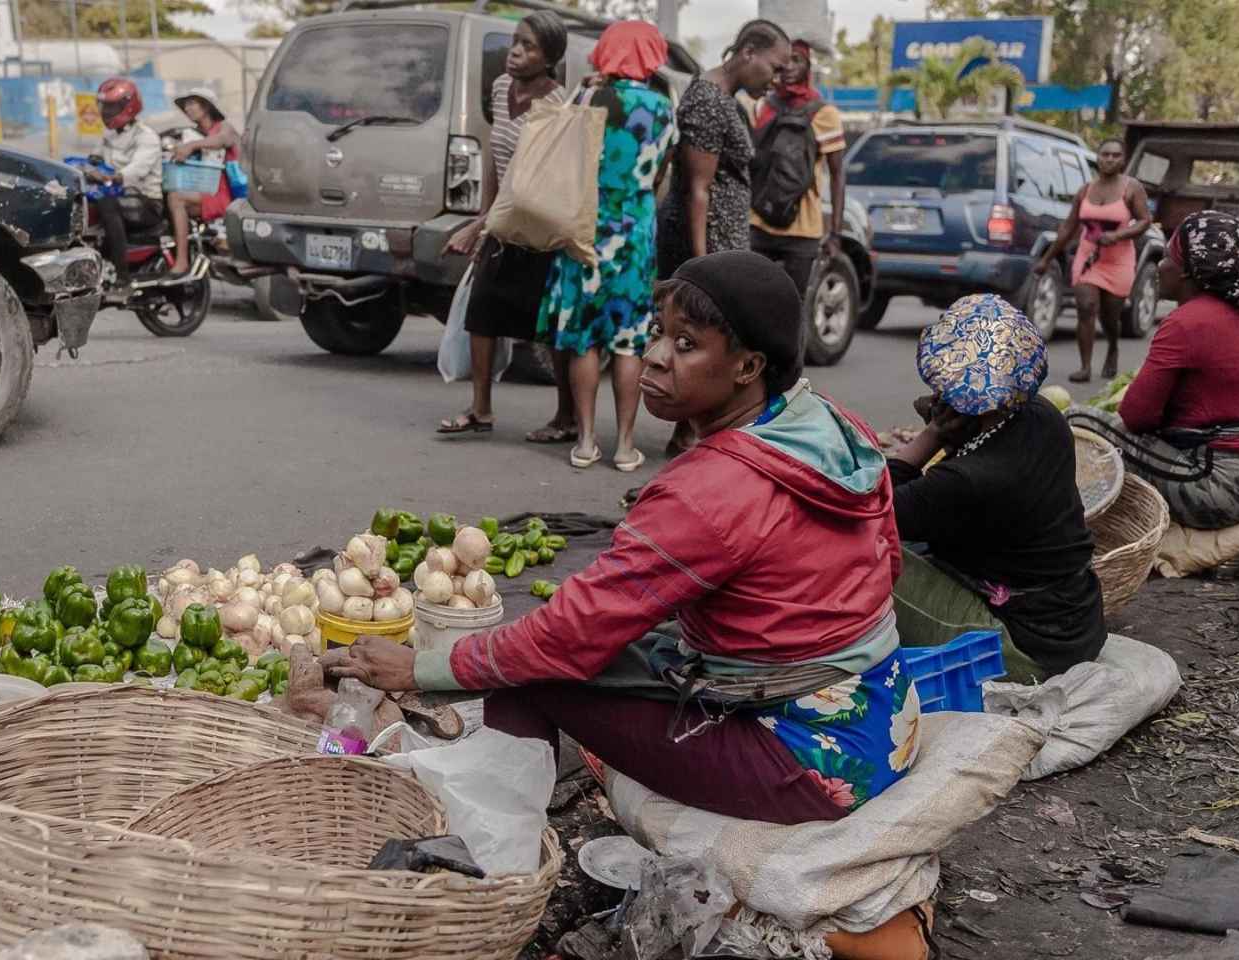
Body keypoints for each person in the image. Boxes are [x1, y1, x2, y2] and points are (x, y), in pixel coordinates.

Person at [328, 250, 920, 825]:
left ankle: (496, 860)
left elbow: (564, 641)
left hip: (810, 759)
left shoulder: (708, 491)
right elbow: (887, 563)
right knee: (607, 644)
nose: (653, 358)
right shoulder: (831, 426)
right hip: (886, 713)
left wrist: (424, 667)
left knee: (528, 678)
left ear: (748, 367)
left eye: (685, 345)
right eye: (658, 333)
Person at [889, 295, 1106, 682]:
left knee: (857, 551)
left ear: (962, 402)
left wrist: (933, 433)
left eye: (943, 388)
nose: (936, 394)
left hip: (1023, 648)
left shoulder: (968, 479)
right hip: (1076, 624)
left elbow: (876, 509)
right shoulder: (1042, 416)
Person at [538, 21, 677, 473]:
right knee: (628, 341)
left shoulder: (588, 99)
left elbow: (565, 156)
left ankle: (584, 441)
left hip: (585, 230)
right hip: (636, 236)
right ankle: (625, 446)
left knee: (583, 339)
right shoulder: (662, 107)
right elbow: (659, 177)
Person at [437, 11, 575, 442]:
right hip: (500, 219)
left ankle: (566, 416)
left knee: (549, 327)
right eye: (516, 41)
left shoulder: (557, 103)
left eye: (529, 45)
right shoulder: (501, 89)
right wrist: (482, 218)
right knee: (483, 310)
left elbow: (536, 176)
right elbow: (498, 162)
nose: (516, 51)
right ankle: (481, 409)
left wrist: (477, 226)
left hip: (536, 225)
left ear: (550, 56)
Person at [1075, 211, 1239, 530]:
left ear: (1189, 271)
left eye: (1168, 256)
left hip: (1221, 488)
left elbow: (1136, 417)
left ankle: (1080, 530)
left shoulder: (1187, 323)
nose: (1159, 265)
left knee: (1076, 422)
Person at [658, 19, 791, 459]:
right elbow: (699, 188)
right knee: (704, 340)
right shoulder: (708, 100)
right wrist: (701, 272)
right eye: (774, 67)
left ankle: (694, 433)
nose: (775, 80)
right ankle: (690, 437)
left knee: (712, 345)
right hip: (707, 248)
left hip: (722, 244)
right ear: (748, 52)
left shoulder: (726, 99)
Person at [1033, 139, 1151, 382]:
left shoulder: (1132, 188)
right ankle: (1085, 367)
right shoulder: (1085, 190)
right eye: (1105, 154)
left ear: (1123, 160)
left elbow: (1144, 221)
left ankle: (1112, 347)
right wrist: (1046, 259)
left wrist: (1118, 234)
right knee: (1086, 307)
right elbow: (1068, 227)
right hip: (1088, 257)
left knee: (1110, 316)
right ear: (1097, 157)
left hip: (1119, 261)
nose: (1109, 159)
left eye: (1115, 155)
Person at [748, 40, 847, 301]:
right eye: (785, 60)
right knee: (750, 306)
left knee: (792, 308)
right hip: (758, 225)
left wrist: (835, 234)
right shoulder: (762, 106)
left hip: (803, 233)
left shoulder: (825, 113)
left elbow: (837, 175)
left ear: (808, 67)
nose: (790, 67)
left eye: (797, 60)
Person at [92, 77, 163, 285]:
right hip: (120, 196)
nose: (106, 111)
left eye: (111, 106)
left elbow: (137, 169)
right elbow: (95, 157)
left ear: (128, 107)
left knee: (106, 204)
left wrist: (113, 177)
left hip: (147, 202)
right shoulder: (110, 134)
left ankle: (122, 274)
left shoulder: (146, 136)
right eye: (104, 105)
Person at [167, 88, 240, 276]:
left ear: (206, 106)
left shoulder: (224, 127)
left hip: (227, 194)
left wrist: (190, 146)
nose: (187, 108)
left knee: (176, 198)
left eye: (192, 103)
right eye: (186, 105)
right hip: (206, 191)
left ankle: (182, 261)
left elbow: (221, 140)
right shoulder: (195, 134)